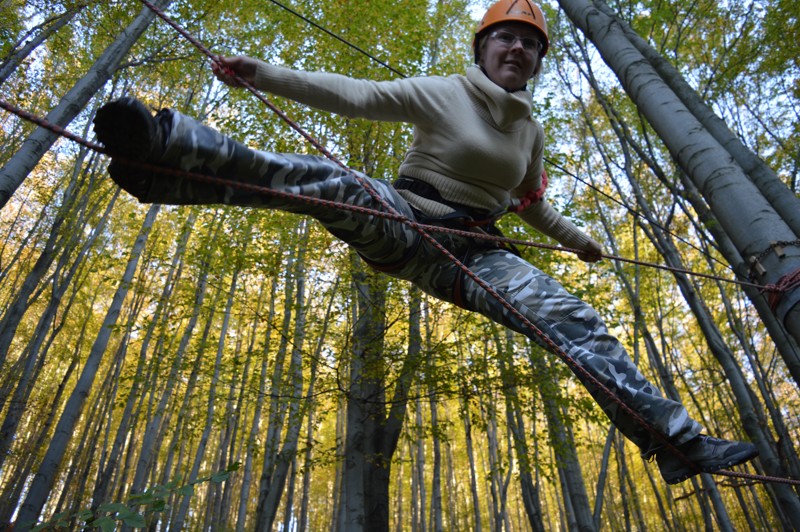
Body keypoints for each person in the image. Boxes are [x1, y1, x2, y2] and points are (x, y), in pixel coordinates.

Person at [93, 0, 758, 484]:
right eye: (502, 37)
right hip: (405, 215)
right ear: (482, 49)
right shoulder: (444, 94)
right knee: (329, 183)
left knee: (573, 320)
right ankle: (168, 150)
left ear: (536, 61)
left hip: (477, 254)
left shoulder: (530, 132)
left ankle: (677, 444)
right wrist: (263, 74)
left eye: (527, 43)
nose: (515, 49)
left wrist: (584, 244)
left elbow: (533, 207)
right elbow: (355, 95)